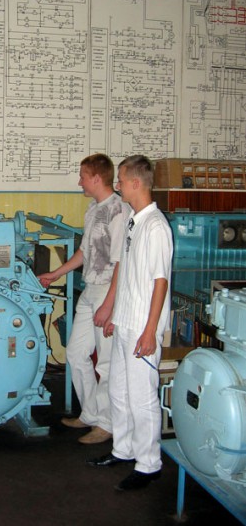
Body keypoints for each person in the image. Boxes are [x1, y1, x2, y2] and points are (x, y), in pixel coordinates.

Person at [86, 155, 173, 492]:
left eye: (121, 180)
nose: (117, 185)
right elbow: (125, 273)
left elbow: (160, 282)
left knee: (141, 398)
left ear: (136, 183)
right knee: (118, 392)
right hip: (125, 321)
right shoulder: (133, 221)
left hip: (142, 328)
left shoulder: (156, 227)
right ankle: (123, 450)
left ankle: (149, 464)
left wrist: (150, 331)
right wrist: (113, 314)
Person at [38, 153, 130, 444]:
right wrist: (55, 274)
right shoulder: (93, 209)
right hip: (91, 288)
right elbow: (84, 252)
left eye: (82, 177)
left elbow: (121, 263)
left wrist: (109, 304)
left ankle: (107, 424)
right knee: (76, 354)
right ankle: (91, 414)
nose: (80, 182)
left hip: (108, 291)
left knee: (107, 362)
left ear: (96, 178)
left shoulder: (120, 211)